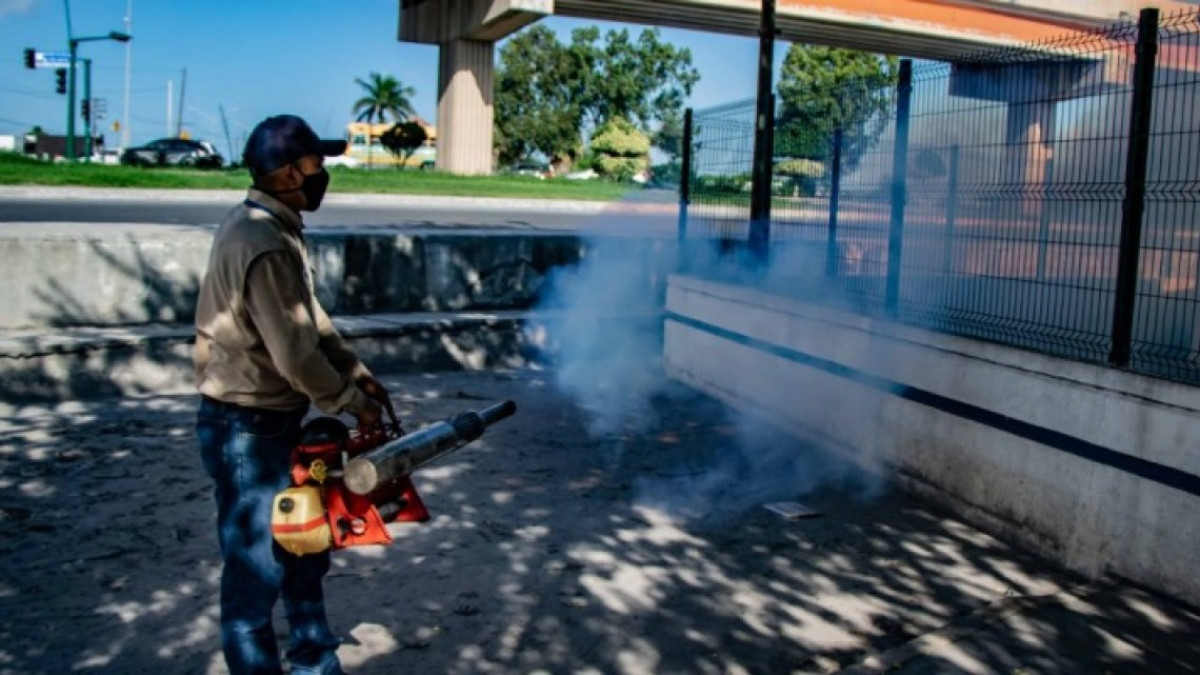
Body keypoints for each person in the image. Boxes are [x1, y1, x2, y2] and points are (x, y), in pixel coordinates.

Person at [194, 114, 389, 675]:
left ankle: (313, 660)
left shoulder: (269, 224)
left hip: (270, 420)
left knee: (306, 549)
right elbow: (296, 356)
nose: (322, 175)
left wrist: (355, 369)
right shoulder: (264, 240)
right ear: (284, 175)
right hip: (248, 429)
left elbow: (311, 321)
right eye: (314, 167)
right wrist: (355, 404)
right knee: (255, 575)